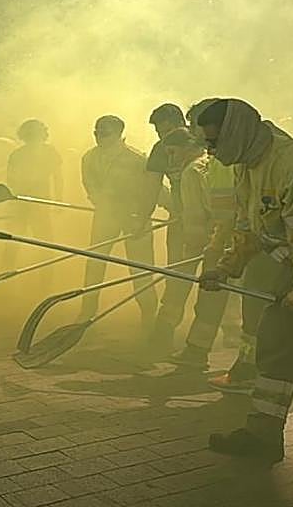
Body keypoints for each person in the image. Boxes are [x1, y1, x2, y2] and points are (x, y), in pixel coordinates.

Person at [198, 99, 293, 463]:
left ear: (235, 133)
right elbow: (249, 229)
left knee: (282, 337)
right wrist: (227, 266)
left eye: (214, 142)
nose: (209, 151)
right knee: (277, 345)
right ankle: (262, 436)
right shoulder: (245, 165)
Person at [165, 115, 236, 372]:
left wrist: (194, 247)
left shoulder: (192, 172)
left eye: (173, 153)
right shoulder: (213, 164)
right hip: (233, 239)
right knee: (232, 295)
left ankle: (197, 351)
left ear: (189, 147)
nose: (172, 160)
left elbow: (197, 216)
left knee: (209, 297)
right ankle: (230, 339)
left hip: (215, 243)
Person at [79, 115, 158, 326]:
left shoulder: (137, 159)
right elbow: (90, 185)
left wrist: (173, 207)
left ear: (119, 133)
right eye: (96, 132)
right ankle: (87, 313)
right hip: (105, 217)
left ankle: (149, 317)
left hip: (135, 219)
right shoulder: (89, 158)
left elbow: (153, 188)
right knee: (95, 262)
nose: (99, 137)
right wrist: (102, 203)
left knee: (141, 269)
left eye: (105, 133)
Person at [144, 104, 193, 349]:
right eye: (158, 132)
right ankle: (165, 328)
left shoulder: (205, 143)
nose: (162, 138)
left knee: (222, 274)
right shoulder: (159, 150)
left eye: (165, 130)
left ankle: (228, 326)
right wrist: (142, 216)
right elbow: (152, 187)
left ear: (180, 121)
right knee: (177, 274)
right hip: (180, 222)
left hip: (216, 222)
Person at [5, 118, 64, 235]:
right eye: (31, 136)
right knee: (16, 237)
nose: (34, 140)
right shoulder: (17, 155)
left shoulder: (50, 152)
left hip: (39, 201)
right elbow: (10, 181)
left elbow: (58, 178)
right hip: (21, 201)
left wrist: (58, 200)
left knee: (43, 236)